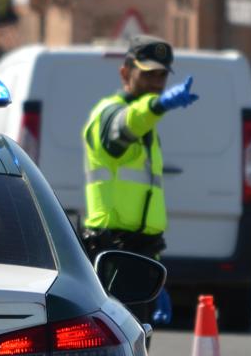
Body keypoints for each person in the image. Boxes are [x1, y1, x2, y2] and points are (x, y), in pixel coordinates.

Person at [81, 35, 198, 324]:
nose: (156, 83)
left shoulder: (147, 126)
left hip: (139, 254)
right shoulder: (108, 114)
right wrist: (157, 106)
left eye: (161, 76)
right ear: (125, 73)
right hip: (113, 255)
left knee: (137, 352)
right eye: (147, 74)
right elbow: (124, 126)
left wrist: (155, 273)